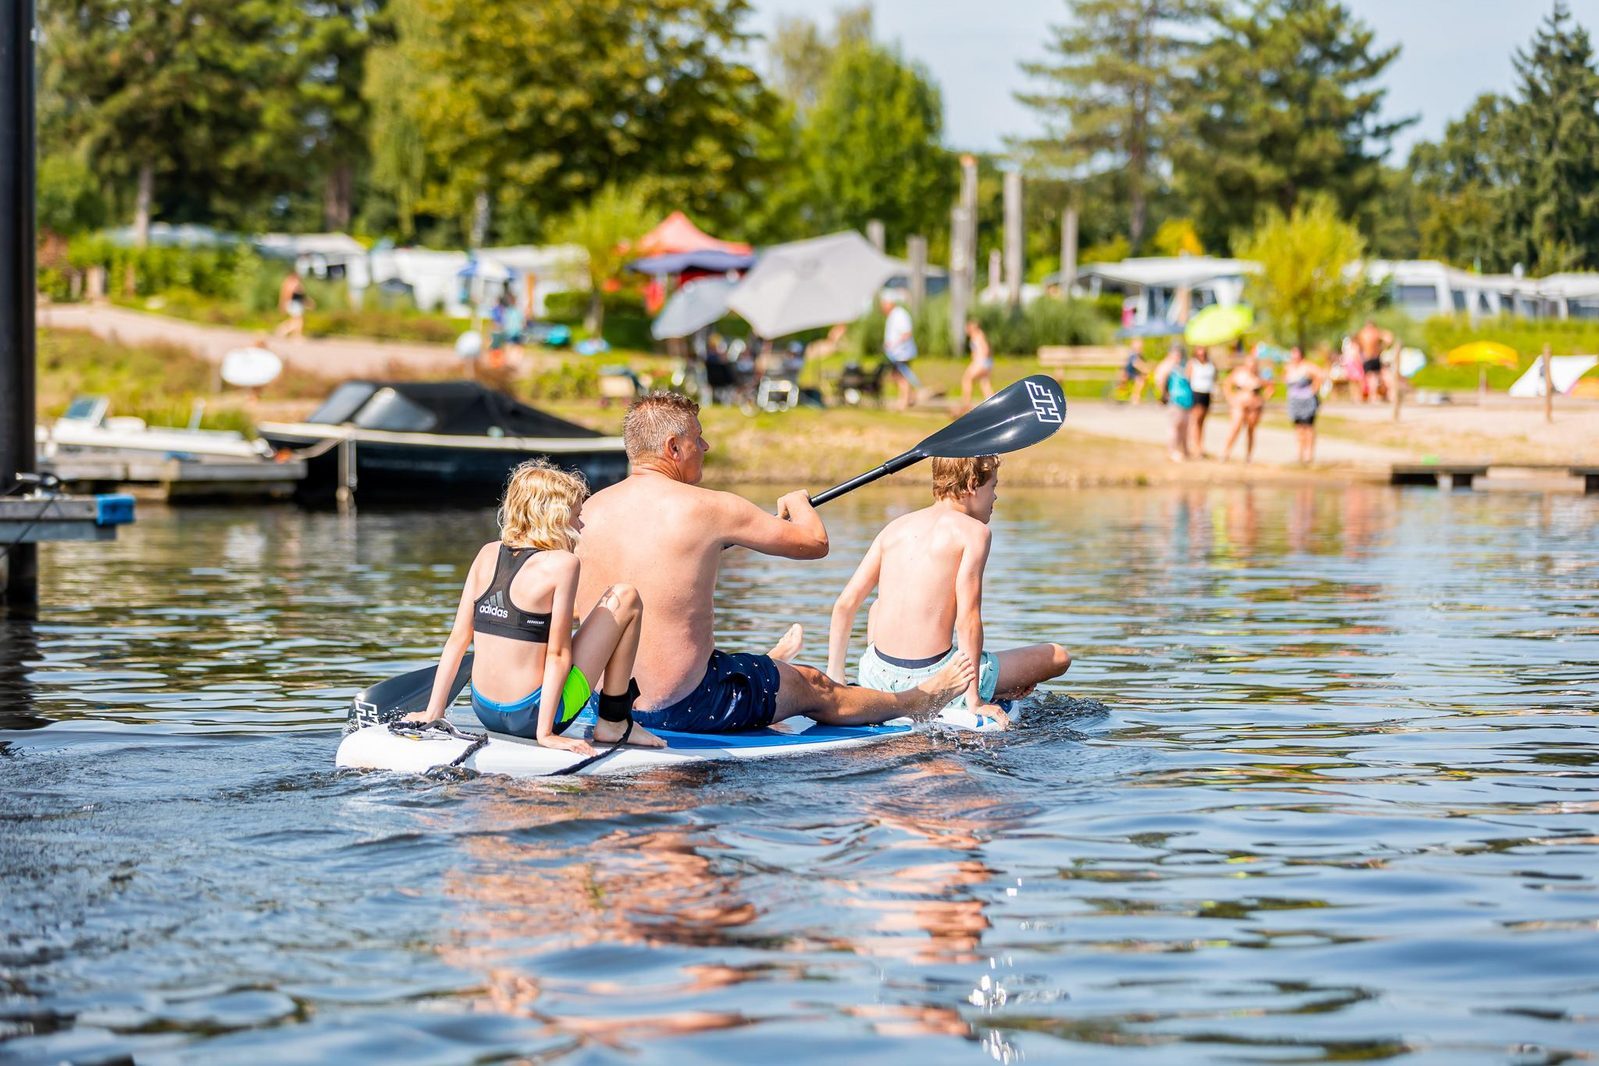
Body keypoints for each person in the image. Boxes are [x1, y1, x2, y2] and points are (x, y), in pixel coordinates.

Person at [574, 392, 974, 734]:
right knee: (815, 684)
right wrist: (798, 504)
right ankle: (917, 699)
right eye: (698, 437)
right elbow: (814, 543)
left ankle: (771, 664)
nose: (706, 446)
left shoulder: (589, 511)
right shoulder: (710, 507)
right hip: (687, 706)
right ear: (673, 448)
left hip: (604, 704)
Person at [405, 460, 665, 754]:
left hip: (484, 709)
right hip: (531, 716)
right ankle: (613, 722)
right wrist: (545, 733)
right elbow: (558, 654)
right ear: (555, 517)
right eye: (576, 516)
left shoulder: (487, 554)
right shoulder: (563, 564)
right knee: (626, 597)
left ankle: (436, 709)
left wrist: (433, 712)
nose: (581, 526)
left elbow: (458, 640)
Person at [826, 455, 1071, 728]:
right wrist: (973, 698)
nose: (995, 497)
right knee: (1058, 656)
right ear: (972, 484)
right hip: (936, 679)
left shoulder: (894, 528)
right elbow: (968, 620)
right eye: (993, 487)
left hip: (874, 676)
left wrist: (836, 681)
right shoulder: (975, 533)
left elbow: (845, 604)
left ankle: (856, 682)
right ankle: (984, 690)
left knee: (876, 606)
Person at [1221, 346, 1272, 463]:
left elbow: (1270, 387)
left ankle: (1248, 456)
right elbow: (1227, 384)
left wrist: (1263, 399)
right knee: (1235, 427)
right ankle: (1225, 452)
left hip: (1254, 406)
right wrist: (1230, 398)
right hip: (1239, 404)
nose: (1251, 366)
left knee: (1251, 430)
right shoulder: (1239, 373)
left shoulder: (1259, 376)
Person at [1284, 346, 1328, 464]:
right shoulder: (1289, 367)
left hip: (1307, 401)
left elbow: (1321, 375)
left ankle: (1309, 454)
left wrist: (1313, 389)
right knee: (1298, 428)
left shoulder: (1308, 366)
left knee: (1308, 427)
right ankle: (1300, 453)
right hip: (1294, 401)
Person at [1154, 342, 1193, 462]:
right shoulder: (1167, 366)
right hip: (1174, 400)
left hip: (1186, 400)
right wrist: (1164, 395)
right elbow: (1159, 379)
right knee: (1174, 427)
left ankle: (1183, 450)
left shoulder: (1183, 366)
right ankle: (1172, 451)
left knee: (1184, 427)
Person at [880, 295, 921, 411]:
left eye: (884, 305)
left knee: (901, 377)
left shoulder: (900, 315)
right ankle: (910, 397)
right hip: (895, 353)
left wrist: (893, 344)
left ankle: (903, 403)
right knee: (895, 376)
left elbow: (907, 333)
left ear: (890, 303)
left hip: (902, 353)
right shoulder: (893, 315)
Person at [959, 319, 995, 412]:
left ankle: (966, 404)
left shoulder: (978, 335)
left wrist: (980, 361)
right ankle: (993, 404)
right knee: (984, 383)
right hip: (985, 362)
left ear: (971, 327)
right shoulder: (977, 335)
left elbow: (985, 349)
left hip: (981, 362)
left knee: (967, 379)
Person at [1187, 345, 1217, 456]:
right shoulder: (1193, 363)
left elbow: (1214, 377)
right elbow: (1188, 378)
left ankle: (1200, 445)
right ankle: (1194, 445)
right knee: (1195, 420)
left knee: (1202, 421)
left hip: (1207, 393)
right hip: (1196, 393)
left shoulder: (1211, 363)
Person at [1355, 320, 1394, 403]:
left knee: (1372, 378)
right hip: (1373, 357)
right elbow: (1389, 339)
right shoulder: (1376, 333)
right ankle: (1374, 396)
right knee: (1374, 378)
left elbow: (1357, 346)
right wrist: (1382, 347)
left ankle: (1373, 396)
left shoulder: (1362, 333)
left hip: (1367, 358)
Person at [275, 272, 311, 339]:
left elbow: (301, 297)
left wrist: (307, 302)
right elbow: (287, 295)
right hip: (294, 304)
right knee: (298, 320)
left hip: (296, 304)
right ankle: (283, 330)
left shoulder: (296, 284)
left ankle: (294, 334)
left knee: (298, 320)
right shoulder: (292, 284)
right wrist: (284, 304)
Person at [1120, 339, 1150, 404]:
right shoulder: (1133, 355)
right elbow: (1136, 364)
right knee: (1140, 380)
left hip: (1132, 373)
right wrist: (1145, 369)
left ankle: (1136, 396)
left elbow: (1142, 363)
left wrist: (1146, 367)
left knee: (1143, 378)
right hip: (1128, 373)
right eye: (1139, 347)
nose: (1140, 349)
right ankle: (1135, 397)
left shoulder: (1138, 355)